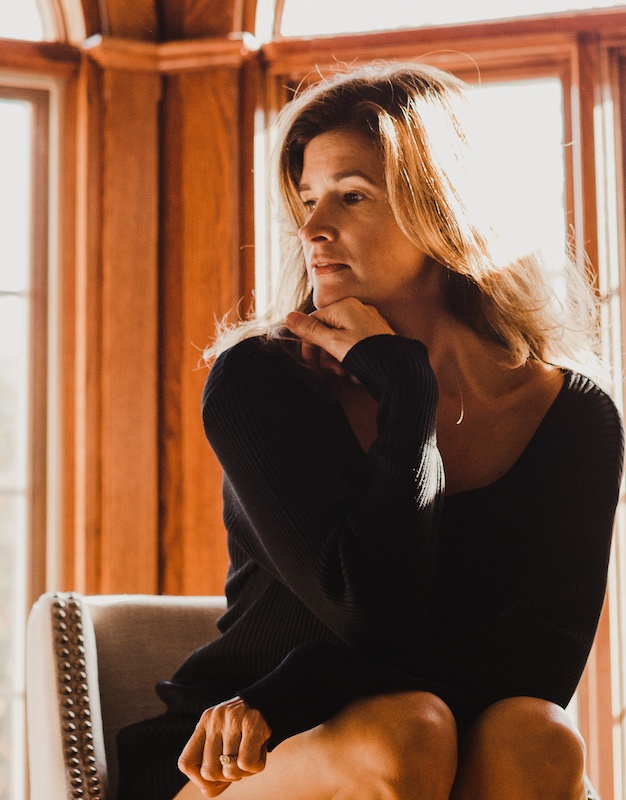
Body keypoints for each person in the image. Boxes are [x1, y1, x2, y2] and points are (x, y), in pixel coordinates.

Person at [116, 62, 624, 800]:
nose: (312, 228)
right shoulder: (260, 380)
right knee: (406, 729)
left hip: (324, 711)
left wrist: (299, 684)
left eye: (351, 197)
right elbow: (369, 612)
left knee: (535, 734)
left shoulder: (574, 415)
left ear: (447, 212)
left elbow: (541, 664)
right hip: (234, 756)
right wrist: (407, 397)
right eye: (309, 198)